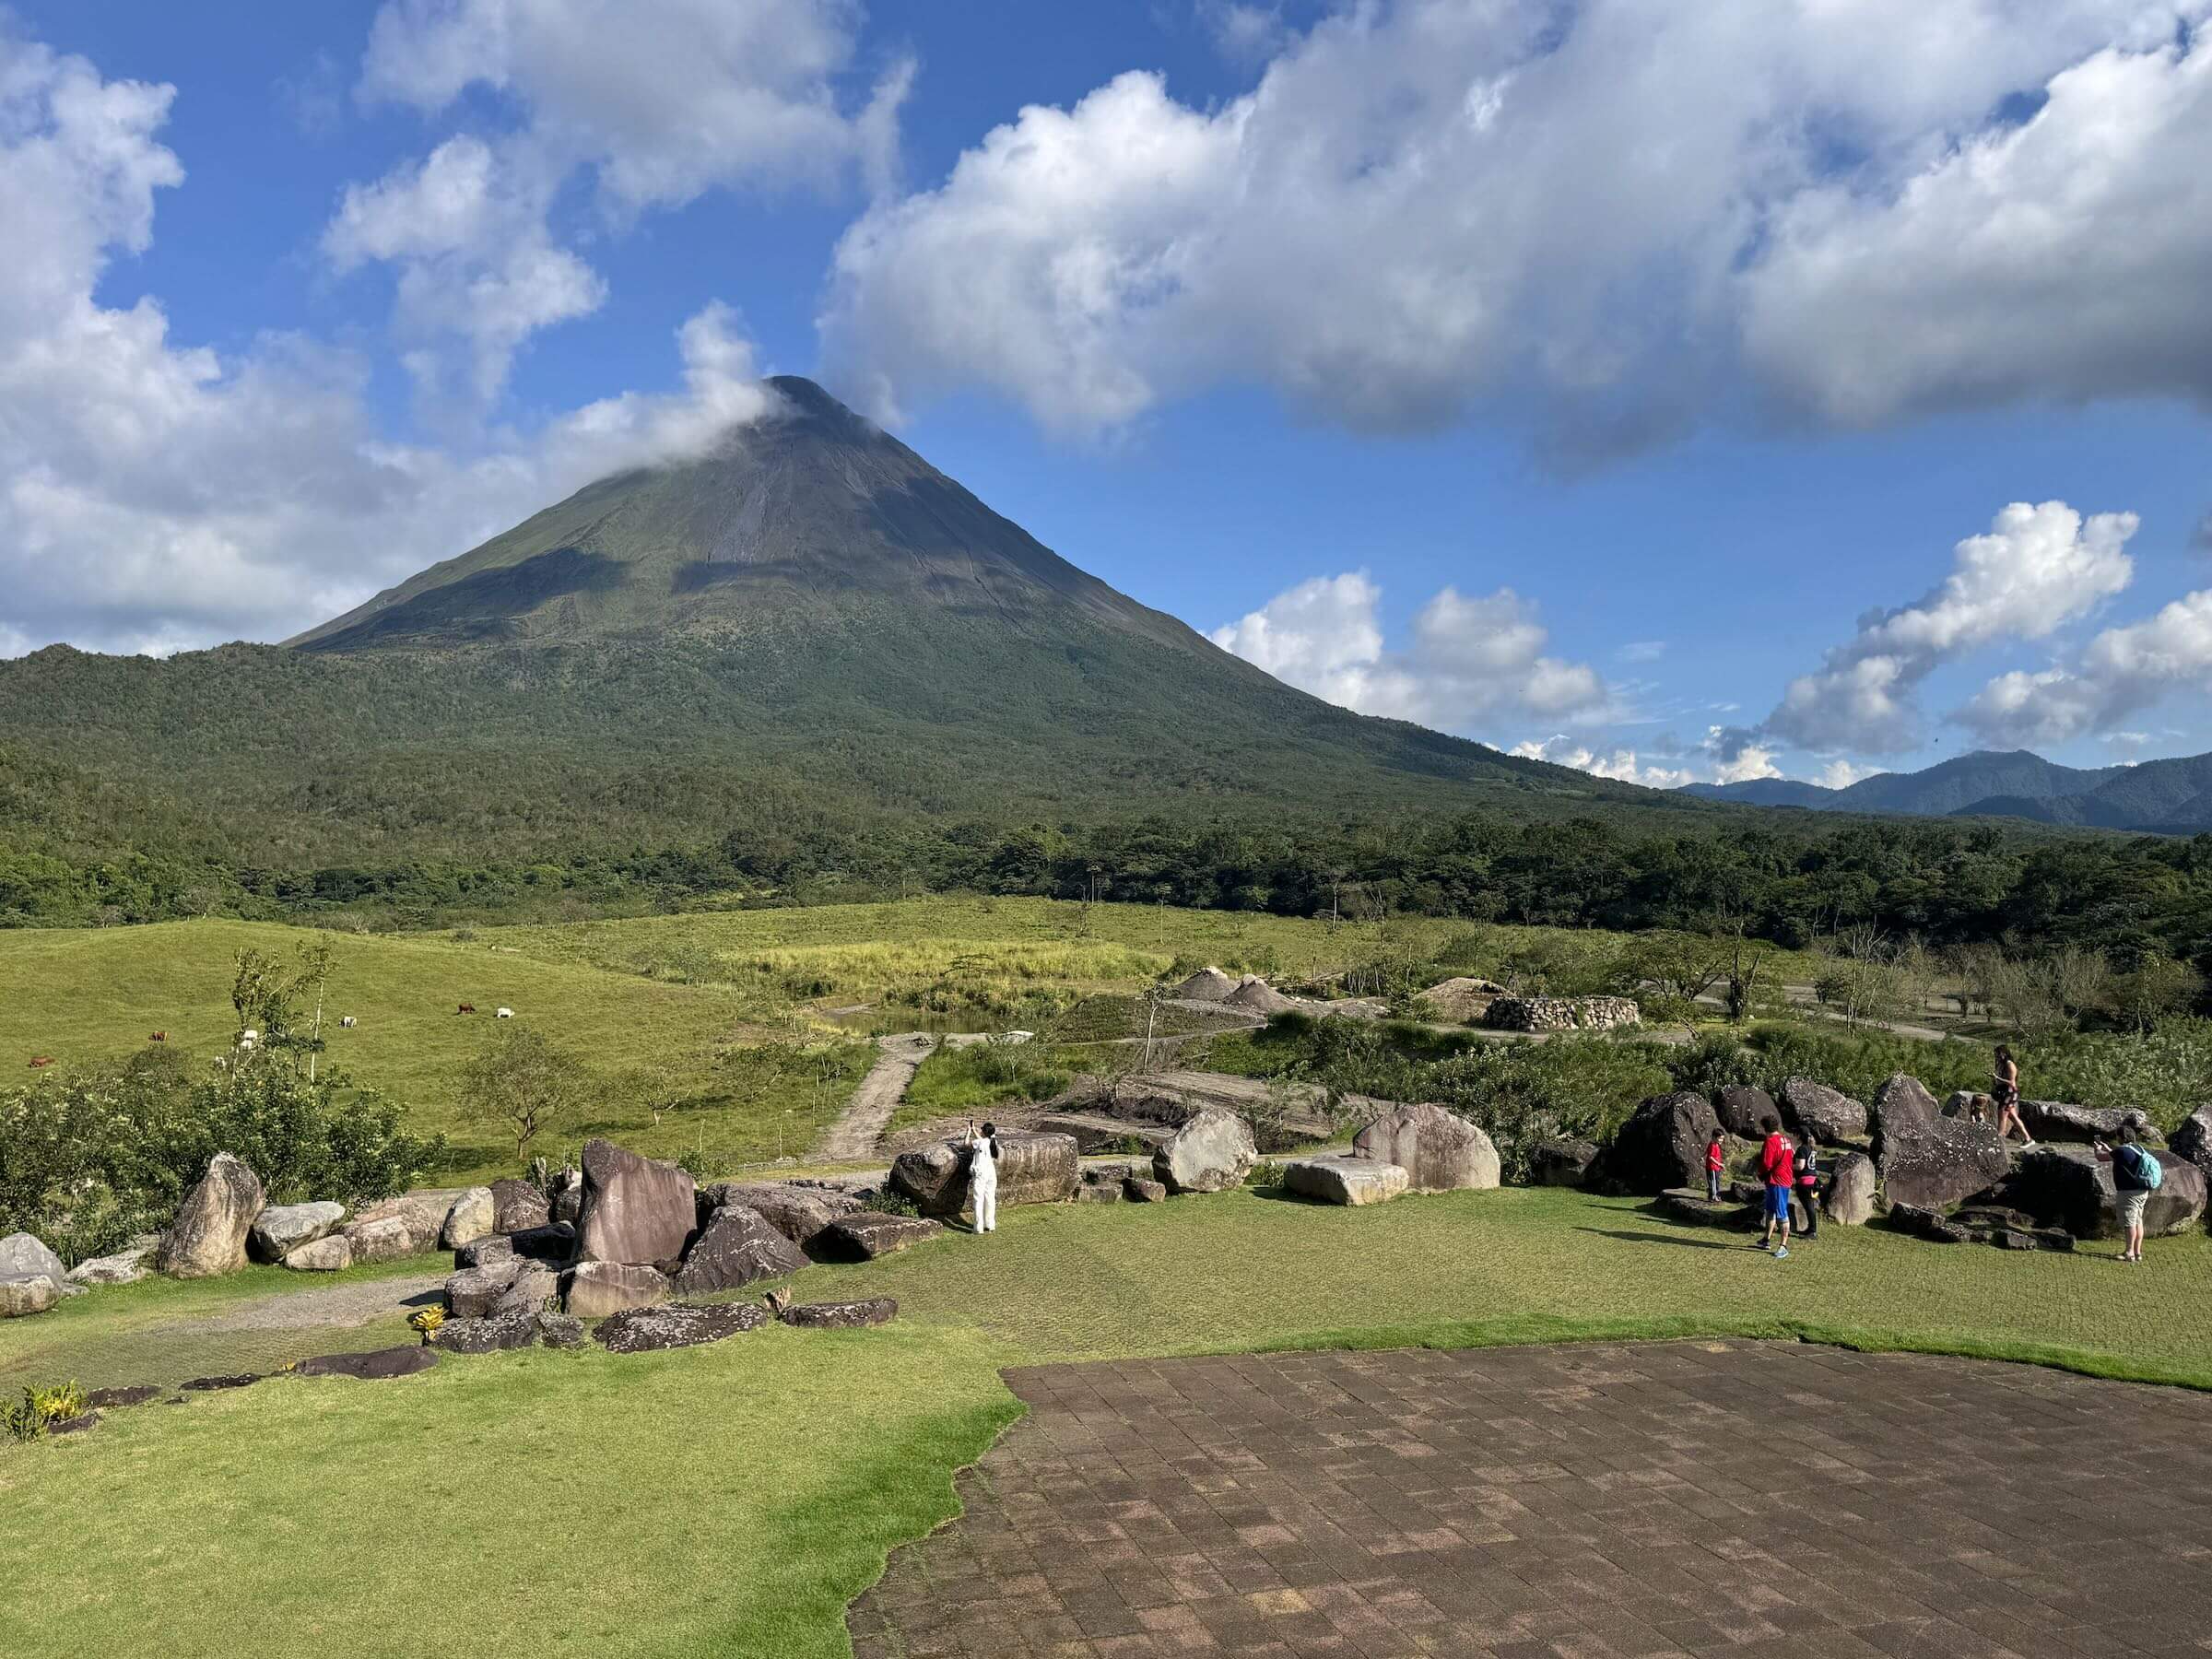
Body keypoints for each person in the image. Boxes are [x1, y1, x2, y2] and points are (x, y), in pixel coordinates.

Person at [2096, 1135, 2161, 1263]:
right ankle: (2137, 1252)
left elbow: (2100, 1157)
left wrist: (2097, 1149)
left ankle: (2129, 1253)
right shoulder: (2138, 1148)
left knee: (2129, 1223)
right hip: (2142, 1191)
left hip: (2129, 1193)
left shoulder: (2120, 1151)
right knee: (2138, 1221)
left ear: (2119, 1137)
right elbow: (2120, 1156)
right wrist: (2108, 1148)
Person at [1757, 1116, 1795, 1259]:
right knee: (1771, 1210)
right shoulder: (1786, 1140)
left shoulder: (1770, 1142)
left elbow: (1766, 1163)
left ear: (1765, 1128)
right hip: (1784, 1178)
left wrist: (1760, 1173)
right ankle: (1766, 1240)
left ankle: (1783, 1246)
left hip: (1777, 1181)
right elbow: (1792, 1157)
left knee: (1781, 1213)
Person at [1992, 1045, 2035, 1147]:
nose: (1996, 1056)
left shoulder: (2010, 1065)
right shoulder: (2002, 1065)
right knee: (2013, 1117)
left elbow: (2012, 1082)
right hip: (2006, 1093)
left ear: (2004, 1054)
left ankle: (1998, 1140)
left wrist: (1998, 1078)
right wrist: (1995, 1080)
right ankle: (2028, 1139)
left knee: (2002, 1114)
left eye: (1998, 1054)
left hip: (2010, 1093)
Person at [965, 1118, 1001, 1234]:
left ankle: (978, 1227)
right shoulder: (993, 1142)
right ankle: (990, 1224)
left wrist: (968, 1132)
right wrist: (974, 1130)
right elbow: (983, 1141)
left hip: (981, 1173)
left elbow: (966, 1144)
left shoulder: (980, 1143)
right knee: (990, 1198)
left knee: (978, 1199)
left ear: (984, 1132)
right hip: (991, 1172)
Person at [1794, 1131, 1821, 1241]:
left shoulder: (1802, 1149)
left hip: (1805, 1182)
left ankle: (1813, 1231)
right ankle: (1810, 1229)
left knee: (1809, 1206)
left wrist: (1787, 1165)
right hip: (1813, 1181)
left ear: (1800, 1136)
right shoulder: (1812, 1149)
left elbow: (1800, 1166)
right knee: (1809, 1206)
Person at [1705, 1129, 1725, 1203]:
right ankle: (1713, 1196)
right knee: (1713, 1182)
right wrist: (1719, 1164)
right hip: (1712, 1167)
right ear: (1714, 1137)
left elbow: (1707, 1153)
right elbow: (1710, 1157)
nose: (1721, 1140)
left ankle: (1714, 1195)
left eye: (1722, 1139)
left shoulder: (1715, 1145)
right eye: (1720, 1138)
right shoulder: (1713, 1146)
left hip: (1715, 1167)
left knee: (1716, 1182)